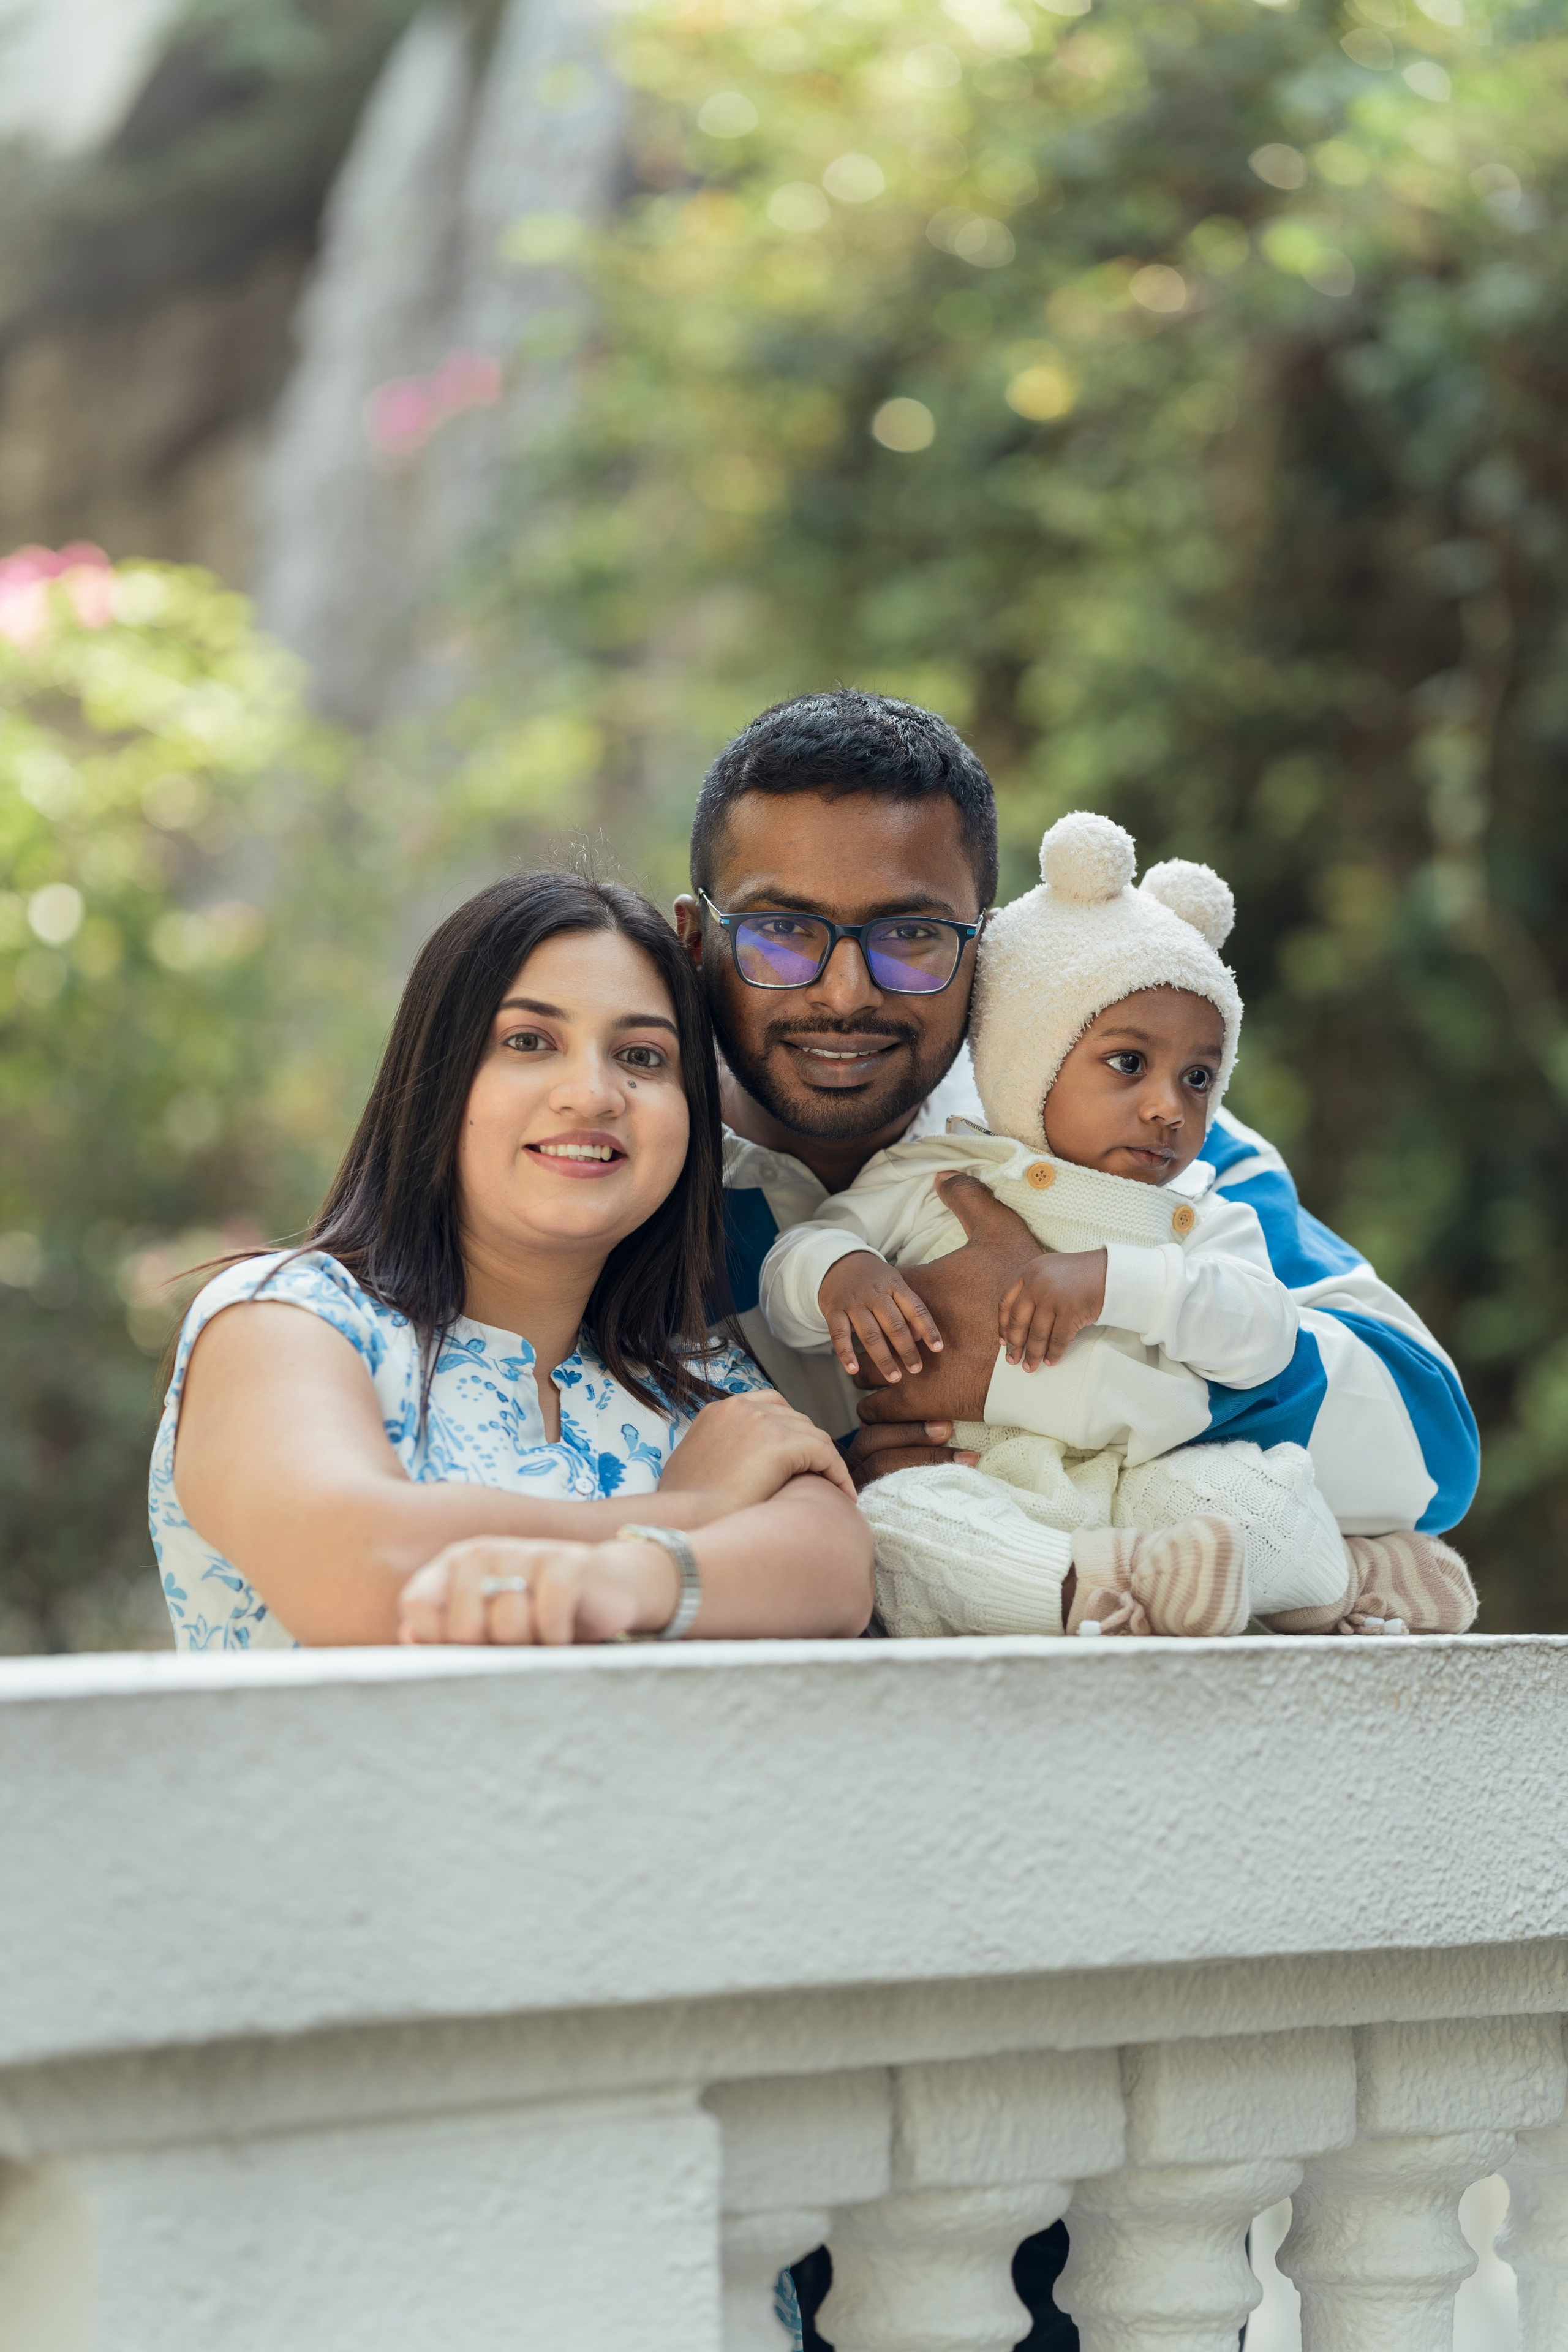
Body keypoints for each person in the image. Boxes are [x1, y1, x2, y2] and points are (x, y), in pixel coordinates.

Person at [673, 687, 1480, 2351]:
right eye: (781, 936)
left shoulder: (1131, 1137)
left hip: (1061, 1961)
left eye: (909, 939)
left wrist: (1105, 1313)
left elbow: (1426, 1445)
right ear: (701, 942)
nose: (843, 989)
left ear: (987, 947)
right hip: (727, 1971)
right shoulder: (624, 1139)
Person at [758, 809, 1476, 1641]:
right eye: (1128, 1064)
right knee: (893, 1526)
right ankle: (1097, 1593)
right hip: (996, 1485)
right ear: (1032, 1054)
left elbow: (1269, 1333)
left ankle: (1351, 1577)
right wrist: (843, 1275)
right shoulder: (938, 1174)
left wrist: (1120, 1286)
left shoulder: (1203, 1203)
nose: (1170, 1107)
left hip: (1155, 1481)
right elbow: (796, 1264)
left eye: (1200, 1077)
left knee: (1245, 1494)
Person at [151, 872, 873, 1653]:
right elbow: (361, 1569)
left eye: (641, 1055)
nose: (593, 1094)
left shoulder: (696, 1378)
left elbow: (837, 1571)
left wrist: (628, 1581)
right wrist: (694, 1509)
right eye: (528, 1042)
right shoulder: (286, 1322)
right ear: (437, 1076)